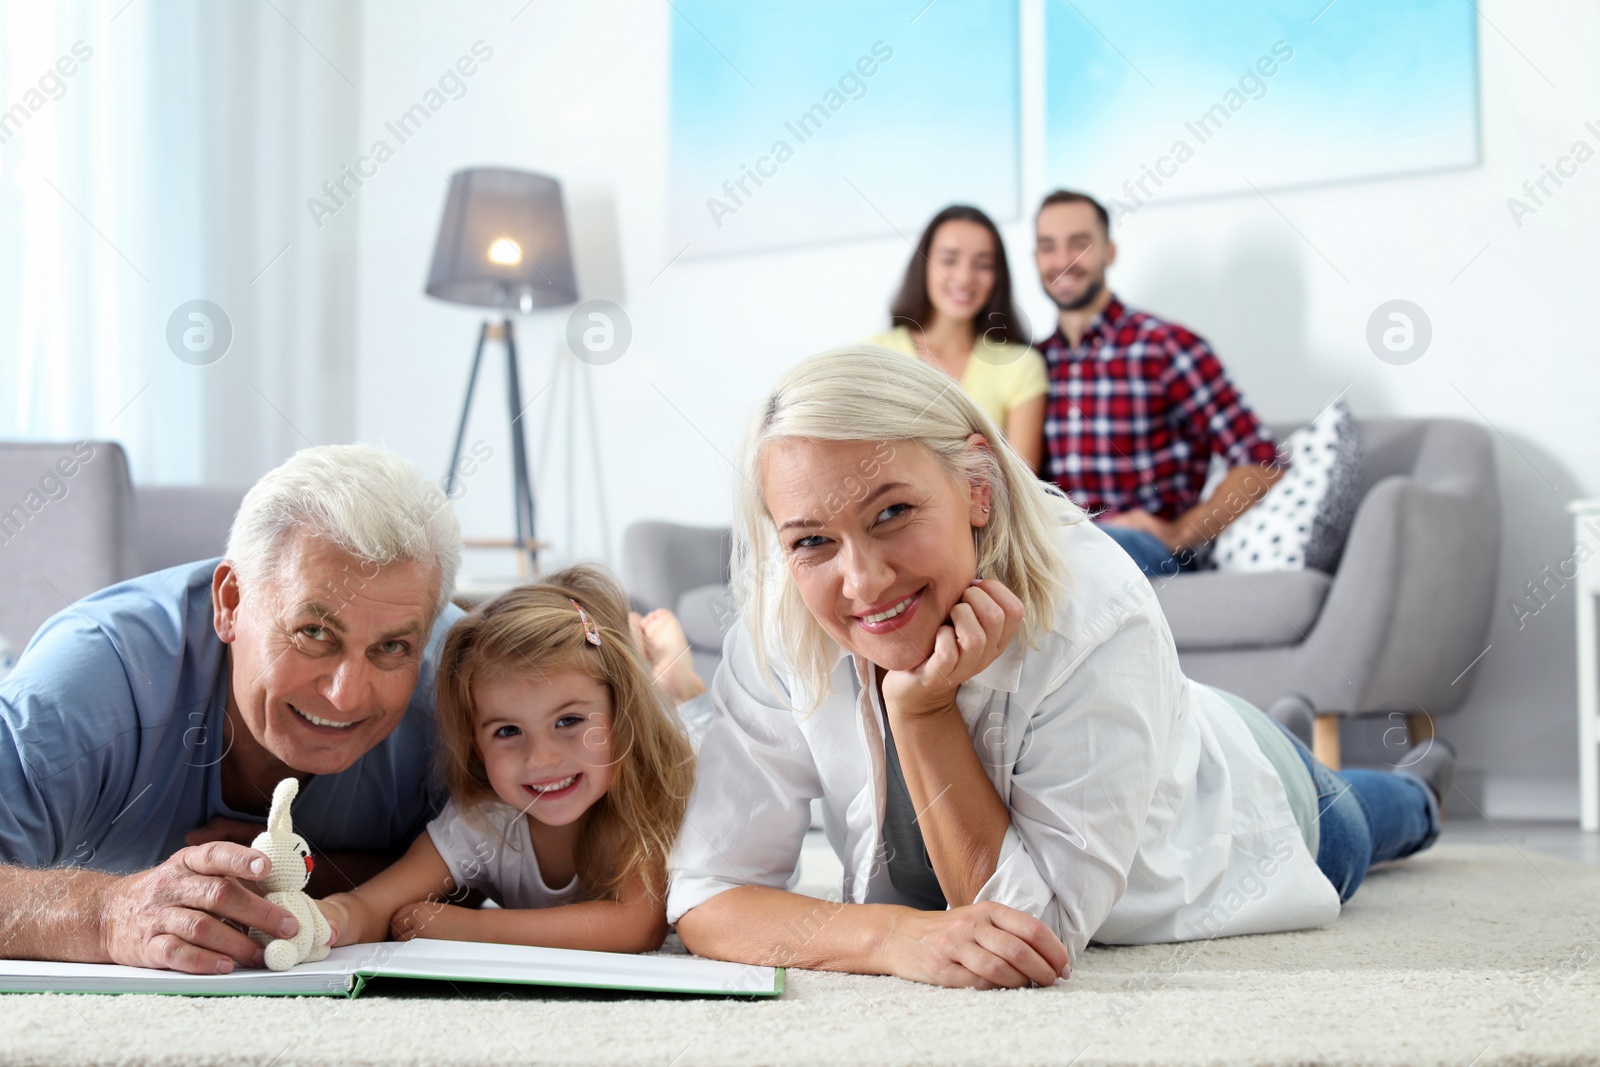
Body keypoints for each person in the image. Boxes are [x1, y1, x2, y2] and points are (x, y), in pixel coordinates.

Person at [667, 349, 1452, 988]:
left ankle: (1413, 784)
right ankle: (1252, 723)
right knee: (1207, 729)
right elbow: (703, 892)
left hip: (1257, 804)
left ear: (976, 487)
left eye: (893, 513)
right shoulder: (784, 621)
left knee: (1361, 816)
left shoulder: (1098, 606)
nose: (863, 581)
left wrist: (922, 710)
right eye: (811, 540)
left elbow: (1027, 933)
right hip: (1159, 729)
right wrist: (891, 936)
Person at [0, 445, 463, 974]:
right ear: (231, 602)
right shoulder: (93, 677)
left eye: (391, 649)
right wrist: (107, 913)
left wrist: (308, 875)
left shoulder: (459, 687)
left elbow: (520, 868)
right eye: (314, 633)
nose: (347, 696)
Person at [316, 565, 697, 953]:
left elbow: (637, 926)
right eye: (508, 731)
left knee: (687, 720)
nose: (543, 758)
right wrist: (329, 918)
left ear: (621, 716)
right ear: (476, 745)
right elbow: (371, 904)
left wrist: (474, 927)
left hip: (691, 745)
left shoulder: (644, 794)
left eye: (568, 720)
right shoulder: (483, 822)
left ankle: (677, 685)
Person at [1033, 189, 1284, 577]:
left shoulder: (1166, 347)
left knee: (1072, 555)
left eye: (1079, 244)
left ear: (1109, 252)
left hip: (1143, 551)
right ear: (1036, 259)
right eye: (1048, 246)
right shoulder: (1032, 364)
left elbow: (1260, 462)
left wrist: (1181, 532)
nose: (1063, 260)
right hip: (1057, 545)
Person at [868, 205, 1047, 471]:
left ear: (998, 276)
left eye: (983, 264)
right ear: (924, 264)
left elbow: (1021, 487)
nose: (964, 278)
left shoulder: (1021, 365)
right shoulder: (876, 356)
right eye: (949, 260)